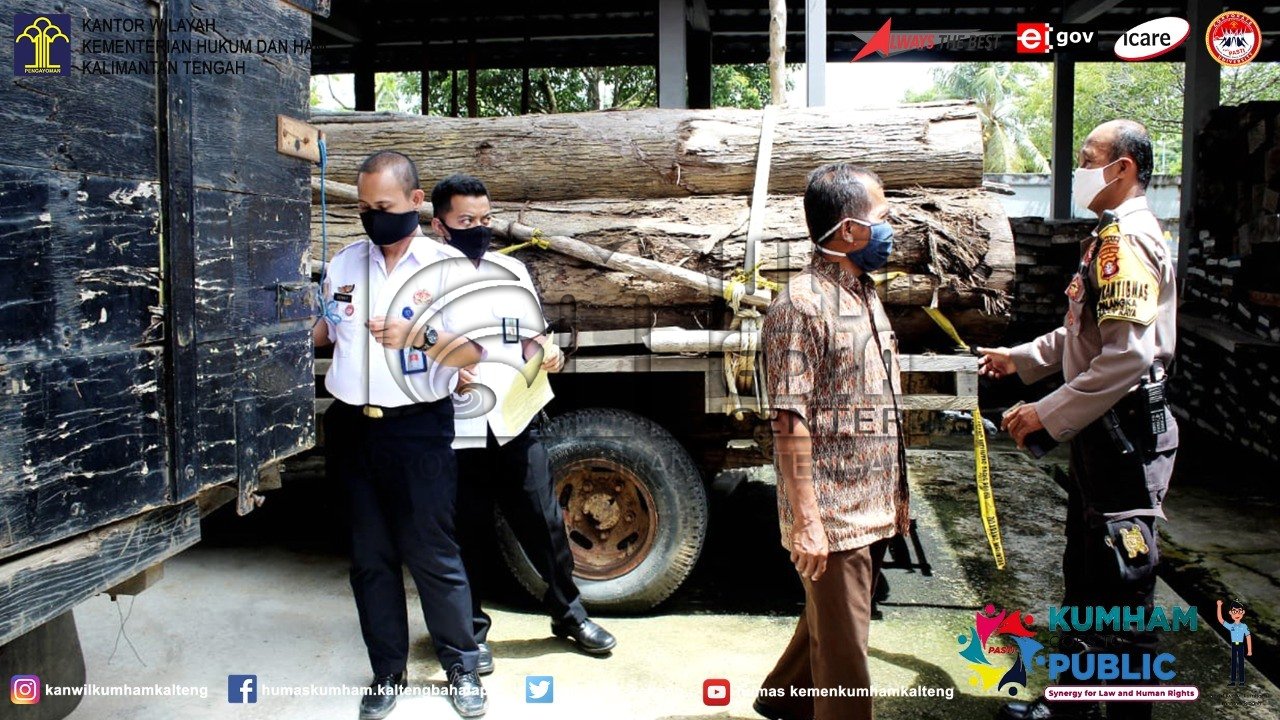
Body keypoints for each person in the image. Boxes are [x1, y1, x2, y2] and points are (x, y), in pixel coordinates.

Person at [980, 120, 1178, 720]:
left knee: (1123, 586)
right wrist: (1017, 359)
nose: (1078, 168)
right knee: (1089, 573)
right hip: (1102, 432)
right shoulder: (1108, 236)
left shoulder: (1128, 242)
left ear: (1122, 168)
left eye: (1087, 158)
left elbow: (1127, 358)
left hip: (1126, 437)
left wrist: (1043, 412)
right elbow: (1082, 339)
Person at [315, 151, 489, 719]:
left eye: (384, 206)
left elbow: (471, 352)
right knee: (369, 557)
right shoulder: (343, 264)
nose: (372, 217)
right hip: (352, 428)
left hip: (418, 428)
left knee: (433, 553)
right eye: (364, 207)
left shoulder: (449, 269)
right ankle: (387, 671)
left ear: (417, 203)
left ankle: (462, 664)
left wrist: (419, 334)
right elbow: (326, 332)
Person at [427, 174, 617, 675]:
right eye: (466, 221)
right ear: (439, 225)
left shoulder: (510, 270)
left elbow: (533, 338)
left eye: (485, 219)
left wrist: (547, 351)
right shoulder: (422, 277)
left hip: (515, 418)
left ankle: (570, 616)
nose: (478, 229)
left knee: (546, 522)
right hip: (453, 427)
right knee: (462, 533)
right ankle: (470, 631)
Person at [756, 163, 908, 720]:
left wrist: (897, 498)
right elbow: (789, 421)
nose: (892, 230)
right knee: (848, 668)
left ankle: (783, 702)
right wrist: (809, 521)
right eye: (883, 219)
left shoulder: (864, 292)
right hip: (837, 517)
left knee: (833, 625)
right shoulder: (801, 305)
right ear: (848, 230)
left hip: (875, 505)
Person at [1216, 599, 1252, 686]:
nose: (1237, 614)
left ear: (1242, 612)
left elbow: (1248, 637)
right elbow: (1220, 620)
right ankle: (1233, 681)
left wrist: (1250, 650)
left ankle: (1242, 681)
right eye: (1234, 611)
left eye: (1239, 611)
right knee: (1234, 664)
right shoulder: (1231, 626)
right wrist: (1219, 606)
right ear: (1230, 613)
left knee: (1241, 663)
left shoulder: (1244, 626)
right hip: (1234, 645)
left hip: (1240, 645)